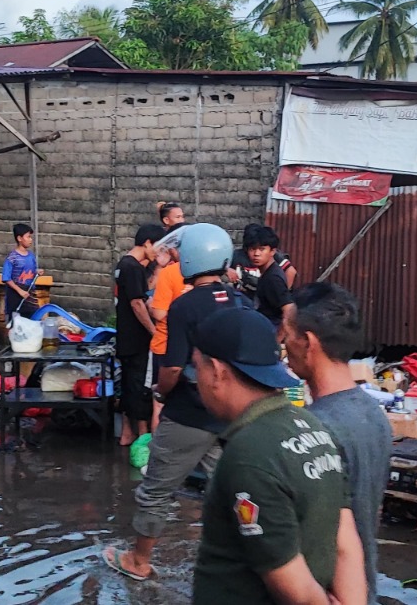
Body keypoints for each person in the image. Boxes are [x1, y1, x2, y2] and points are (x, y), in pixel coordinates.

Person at [188, 307, 365, 605]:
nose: (197, 382)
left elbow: (296, 590)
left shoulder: (249, 454)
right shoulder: (314, 427)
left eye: (198, 369)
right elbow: (346, 545)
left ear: (218, 372)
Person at [104, 223, 238, 582]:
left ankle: (138, 560)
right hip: (230, 413)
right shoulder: (239, 300)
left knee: (156, 489)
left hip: (190, 412)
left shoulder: (184, 305)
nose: (174, 257)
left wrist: (162, 393)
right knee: (233, 486)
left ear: (193, 258)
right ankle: (246, 557)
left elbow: (173, 366)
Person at [284, 283, 392, 605]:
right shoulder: (375, 414)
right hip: (363, 589)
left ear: (308, 343)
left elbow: (316, 537)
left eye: (287, 333)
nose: (283, 342)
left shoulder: (315, 430)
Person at [114, 224, 164, 446]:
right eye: (158, 247)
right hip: (136, 338)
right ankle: (142, 437)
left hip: (125, 336)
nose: (158, 253)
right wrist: (154, 332)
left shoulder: (124, 265)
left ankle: (128, 433)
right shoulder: (132, 267)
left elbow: (139, 294)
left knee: (128, 383)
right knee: (139, 385)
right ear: (147, 244)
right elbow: (137, 303)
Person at [146, 242, 188, 427]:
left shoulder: (170, 273)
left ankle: (157, 452)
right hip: (193, 349)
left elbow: (159, 313)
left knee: (159, 402)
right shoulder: (211, 277)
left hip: (165, 346)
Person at [241, 223, 294, 326]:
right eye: (252, 249)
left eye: (261, 249)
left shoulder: (273, 278)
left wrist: (276, 339)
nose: (256, 254)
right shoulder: (266, 273)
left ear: (272, 251)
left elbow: (289, 310)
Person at [1, 222, 39, 319]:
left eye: (31, 237)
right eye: (28, 237)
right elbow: (6, 278)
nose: (31, 240)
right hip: (15, 295)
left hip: (29, 293)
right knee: (15, 323)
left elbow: (31, 273)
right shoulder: (12, 258)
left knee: (31, 320)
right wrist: (20, 291)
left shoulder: (31, 256)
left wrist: (37, 272)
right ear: (19, 238)